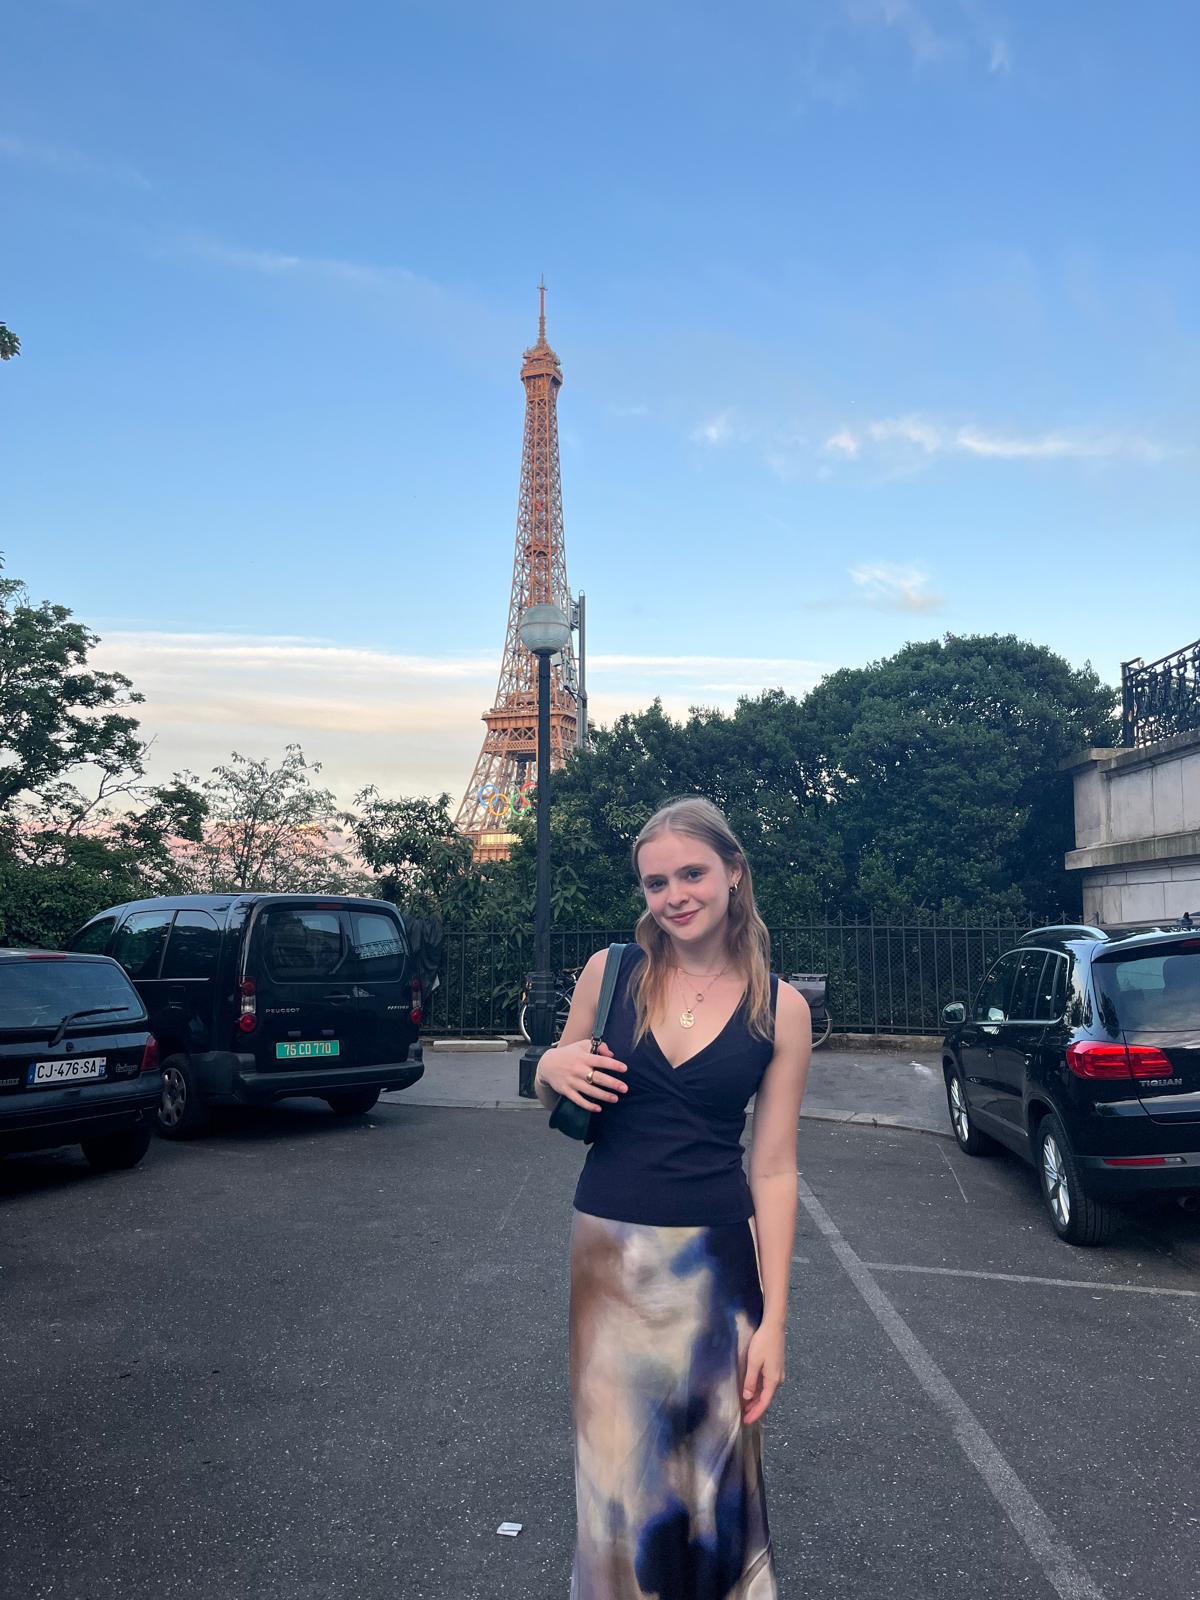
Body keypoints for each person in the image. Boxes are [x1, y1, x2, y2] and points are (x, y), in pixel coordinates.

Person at [534, 796, 812, 1599]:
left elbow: (776, 1169)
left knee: (712, 1470)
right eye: (657, 882)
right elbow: (555, 1074)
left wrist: (775, 1325)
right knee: (616, 1465)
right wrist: (548, 1067)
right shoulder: (609, 971)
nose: (675, 895)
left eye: (692, 873)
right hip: (609, 1258)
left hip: (716, 1268)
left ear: (733, 873)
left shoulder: (780, 1009)